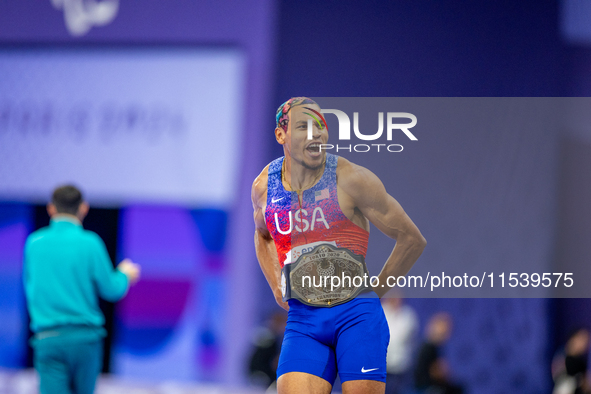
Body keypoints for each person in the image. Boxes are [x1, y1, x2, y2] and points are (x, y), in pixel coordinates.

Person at [251, 97, 426, 394]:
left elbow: (412, 240)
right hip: (303, 320)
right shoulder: (265, 187)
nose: (316, 133)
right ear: (281, 134)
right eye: (304, 125)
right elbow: (263, 234)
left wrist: (375, 292)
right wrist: (276, 286)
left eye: (321, 125)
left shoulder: (350, 179)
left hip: (356, 317)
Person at [23, 185, 140, 394]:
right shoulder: (90, 243)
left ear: (51, 209)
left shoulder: (34, 243)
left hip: (48, 337)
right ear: (83, 208)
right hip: (84, 340)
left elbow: (31, 288)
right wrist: (124, 274)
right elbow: (111, 290)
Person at [414, 313, 463, 394]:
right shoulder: (429, 347)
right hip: (425, 387)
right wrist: (443, 372)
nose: (447, 332)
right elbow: (434, 372)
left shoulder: (435, 347)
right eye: (444, 329)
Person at [382, 294, 418, 394]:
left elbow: (403, 337)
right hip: (382, 364)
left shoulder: (408, 315)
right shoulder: (380, 311)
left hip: (400, 364)